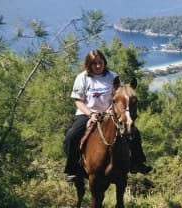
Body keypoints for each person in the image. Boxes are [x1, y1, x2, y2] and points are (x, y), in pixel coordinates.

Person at [63, 49, 152, 182]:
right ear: (89, 64)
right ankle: (72, 170)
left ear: (104, 62)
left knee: (134, 132)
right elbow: (78, 101)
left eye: (100, 62)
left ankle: (137, 163)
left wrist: (111, 110)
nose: (98, 66)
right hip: (87, 113)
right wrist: (91, 114)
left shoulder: (112, 76)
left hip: (110, 114)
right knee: (71, 136)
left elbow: (121, 96)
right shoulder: (82, 78)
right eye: (94, 63)